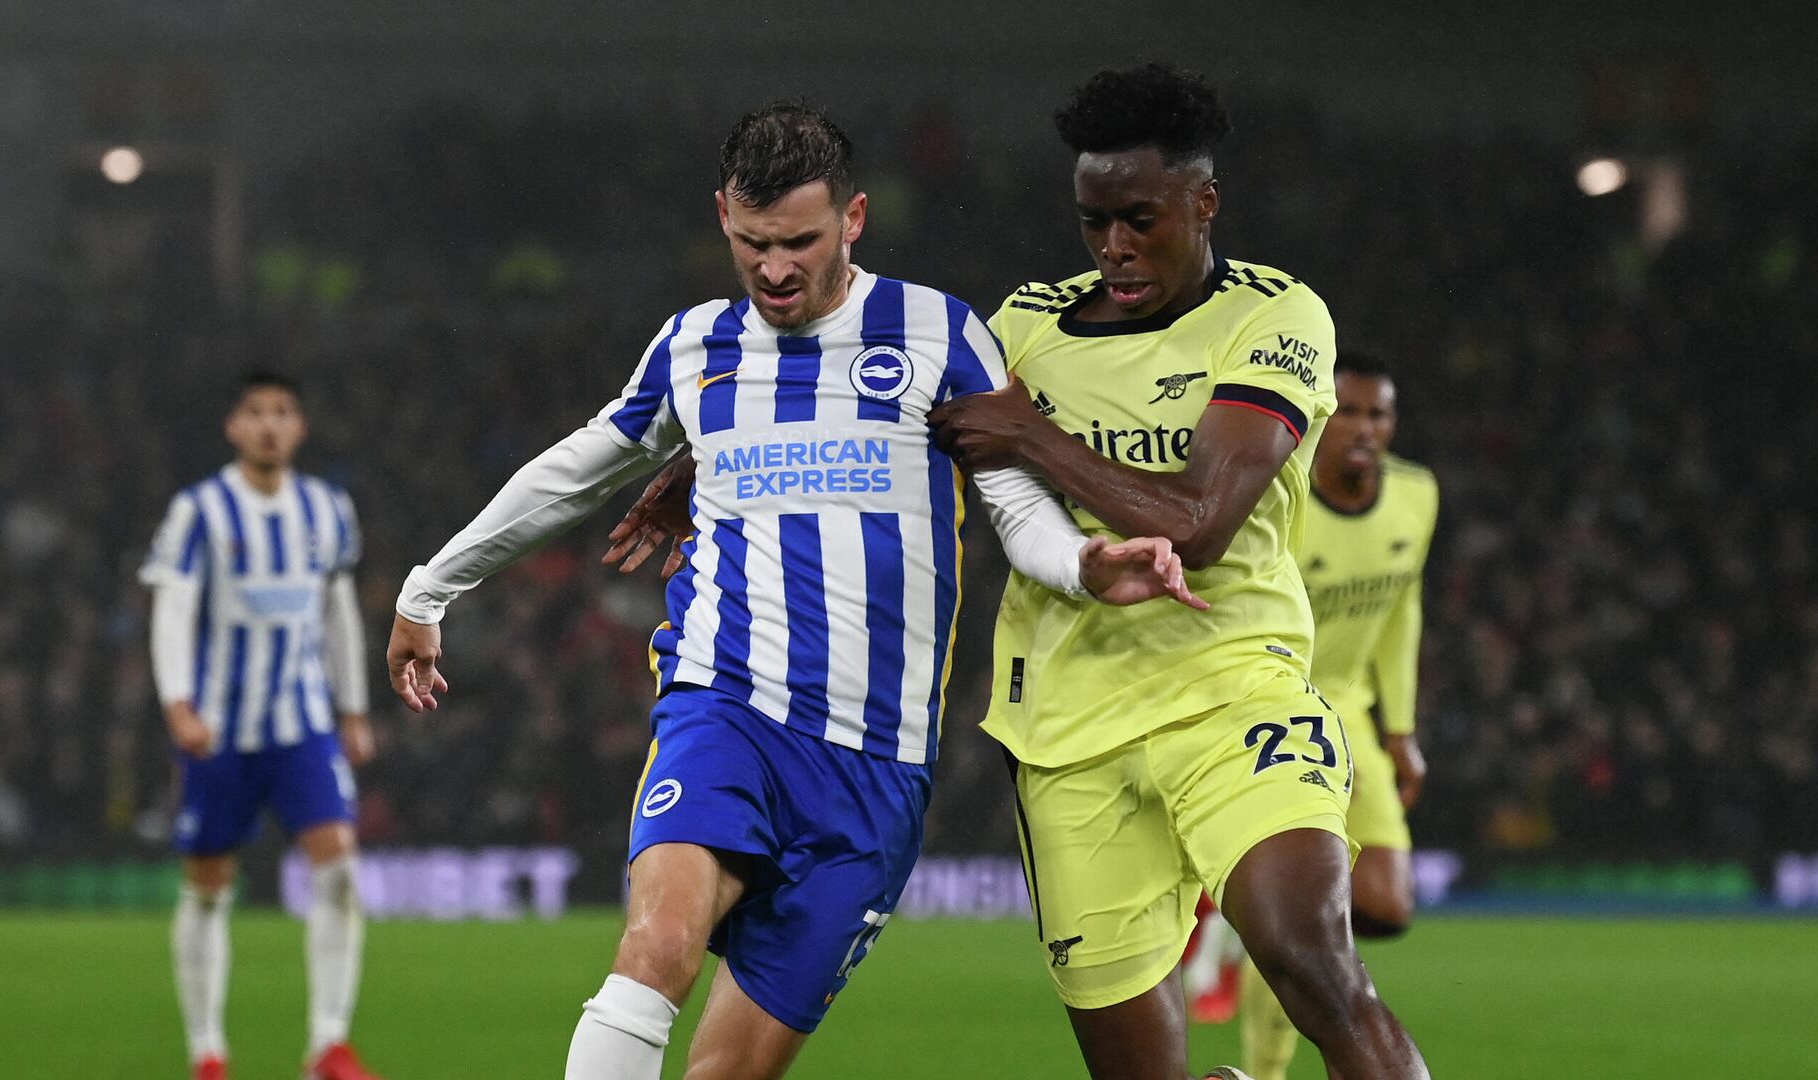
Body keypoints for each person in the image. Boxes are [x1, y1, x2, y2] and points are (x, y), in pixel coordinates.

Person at [384, 103, 1201, 1080]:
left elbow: (1015, 504)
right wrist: (430, 587)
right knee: (655, 949)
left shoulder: (937, 333)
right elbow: (576, 471)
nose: (774, 268)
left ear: (852, 219)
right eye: (753, 242)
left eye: (800, 242)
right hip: (726, 712)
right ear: (723, 216)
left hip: (874, 771)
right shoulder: (694, 347)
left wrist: (1084, 562)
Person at [926, 64, 1429, 1079]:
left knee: (1314, 963)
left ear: (1204, 202)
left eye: (1139, 219)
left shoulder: (1275, 319)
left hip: (1232, 691)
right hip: (1068, 731)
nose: (1113, 247)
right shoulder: (1025, 324)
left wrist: (1035, 435)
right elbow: (899, 411)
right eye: (1092, 223)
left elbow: (1199, 521)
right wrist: (697, 461)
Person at [1196, 353, 1442, 1077]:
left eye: (1380, 414)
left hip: (1352, 713)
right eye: (1350, 412)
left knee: (1388, 904)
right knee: (1313, 928)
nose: (1365, 428)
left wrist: (1400, 730)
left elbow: (1403, 609)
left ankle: (1250, 930)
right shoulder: (1277, 494)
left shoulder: (1417, 496)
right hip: (1274, 701)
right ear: (1318, 419)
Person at [140, 372, 380, 1080]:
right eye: (256, 413)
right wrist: (177, 702)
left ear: (299, 427)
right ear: (233, 427)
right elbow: (174, 608)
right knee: (209, 884)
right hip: (221, 729)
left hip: (303, 724)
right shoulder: (200, 511)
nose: (269, 425)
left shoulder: (327, 509)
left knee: (338, 866)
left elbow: (337, 611)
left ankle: (328, 1046)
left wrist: (353, 708)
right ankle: (207, 1052)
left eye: (282, 412)